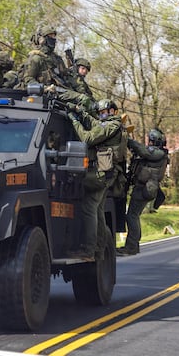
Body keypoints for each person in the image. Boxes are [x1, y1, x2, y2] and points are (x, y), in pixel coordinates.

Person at [67, 99, 128, 260]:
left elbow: (87, 138)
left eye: (104, 112)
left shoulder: (112, 125)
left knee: (88, 207)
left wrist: (74, 119)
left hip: (101, 173)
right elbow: (95, 124)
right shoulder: (111, 124)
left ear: (112, 112)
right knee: (98, 210)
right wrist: (80, 112)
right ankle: (99, 248)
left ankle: (88, 250)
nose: (101, 115)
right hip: (106, 173)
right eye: (100, 112)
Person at [121, 128, 169, 255]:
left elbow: (143, 151)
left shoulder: (158, 153)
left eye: (151, 140)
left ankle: (132, 246)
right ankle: (132, 245)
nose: (150, 143)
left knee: (132, 216)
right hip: (142, 187)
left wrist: (128, 140)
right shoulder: (158, 153)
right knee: (132, 215)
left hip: (145, 188)